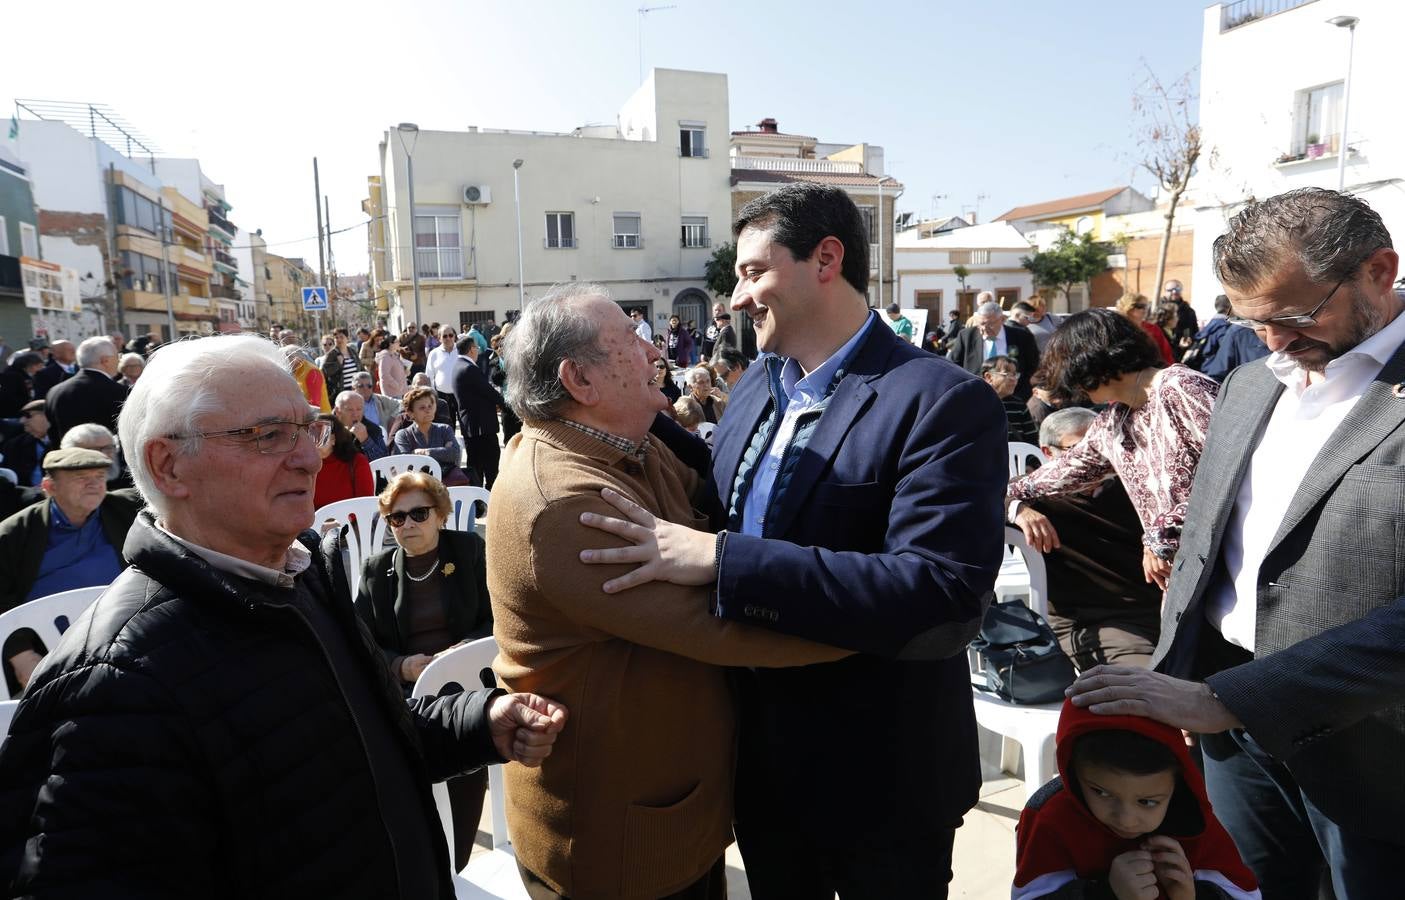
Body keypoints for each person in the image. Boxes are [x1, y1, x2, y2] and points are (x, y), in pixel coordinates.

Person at [0, 334, 567, 897]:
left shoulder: (301, 575)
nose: (307, 456)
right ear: (169, 466)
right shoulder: (114, 681)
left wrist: (478, 720)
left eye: (307, 429)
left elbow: (356, 739)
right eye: (269, 435)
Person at [577, 182, 1008, 897]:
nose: (737, 299)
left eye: (752, 272)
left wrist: (722, 561)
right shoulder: (758, 385)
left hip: (881, 780)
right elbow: (724, 490)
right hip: (762, 770)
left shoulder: (940, 400)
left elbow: (940, 595)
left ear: (825, 259)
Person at [1068, 188, 1405, 897]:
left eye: (1294, 314)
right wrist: (1175, 683)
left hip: (1375, 750)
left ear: (1380, 270)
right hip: (1228, 733)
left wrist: (1235, 698)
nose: (1276, 340)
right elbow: (1205, 542)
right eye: (1254, 323)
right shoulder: (1250, 384)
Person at [489, 284, 848, 899]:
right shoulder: (565, 503)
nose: (652, 348)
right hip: (618, 839)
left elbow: (712, 531)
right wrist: (881, 614)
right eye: (629, 339)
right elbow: (724, 626)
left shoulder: (629, 445)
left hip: (672, 813)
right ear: (580, 380)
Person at [1007, 308, 1217, 591]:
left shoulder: (1179, 387)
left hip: (1224, 566)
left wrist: (1161, 535)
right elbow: (1063, 472)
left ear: (1089, 361)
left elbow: (1231, 474)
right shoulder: (1114, 421)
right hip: (1183, 578)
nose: (1075, 389)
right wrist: (1010, 498)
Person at [354, 471, 494, 871]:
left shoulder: (469, 551)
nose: (408, 525)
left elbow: (498, 615)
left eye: (418, 514)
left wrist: (464, 652)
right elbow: (360, 640)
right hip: (409, 693)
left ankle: (456, 862)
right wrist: (400, 665)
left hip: (468, 687)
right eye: (397, 518)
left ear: (440, 514)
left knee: (466, 755)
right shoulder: (376, 570)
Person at [1013, 699, 1258, 900]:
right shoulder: (1051, 820)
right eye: (1101, 792)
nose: (1126, 820)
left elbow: (1246, 894)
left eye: (1148, 802)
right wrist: (1106, 893)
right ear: (1072, 770)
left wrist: (1192, 895)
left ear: (1178, 785)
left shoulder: (1194, 822)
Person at [1012, 408, 1162, 670]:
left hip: (1161, 609)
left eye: (1100, 446)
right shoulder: (1033, 494)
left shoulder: (1134, 484)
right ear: (1048, 453)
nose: (1094, 458)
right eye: (1079, 449)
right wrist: (1018, 510)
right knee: (1151, 682)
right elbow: (980, 497)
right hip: (1096, 622)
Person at [0, 447, 141, 693]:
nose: (94, 485)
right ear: (49, 487)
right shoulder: (14, 534)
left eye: (99, 477)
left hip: (125, 638)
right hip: (48, 651)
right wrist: (19, 652)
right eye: (81, 479)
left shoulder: (125, 509)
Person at [948, 298, 1041, 400]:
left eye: (990, 324)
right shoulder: (966, 336)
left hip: (1014, 397)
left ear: (1002, 319)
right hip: (975, 395)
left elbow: (1033, 365)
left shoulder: (1022, 337)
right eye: (981, 324)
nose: (984, 328)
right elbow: (953, 365)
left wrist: (1021, 391)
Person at [44, 336, 128, 448]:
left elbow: (52, 435)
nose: (119, 360)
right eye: (118, 356)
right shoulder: (120, 392)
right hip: (106, 461)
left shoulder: (54, 392)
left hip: (66, 459)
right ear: (105, 360)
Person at [392, 385, 469, 486]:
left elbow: (454, 453)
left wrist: (425, 452)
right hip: (416, 487)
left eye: (430, 406)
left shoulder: (445, 429)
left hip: (446, 485)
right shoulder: (403, 435)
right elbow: (406, 463)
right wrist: (443, 451)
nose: (428, 410)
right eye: (422, 408)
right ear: (410, 413)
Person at [451, 335, 501, 488]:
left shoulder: (458, 365)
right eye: (476, 348)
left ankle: (479, 498)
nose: (478, 351)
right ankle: (488, 497)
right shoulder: (469, 368)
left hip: (473, 426)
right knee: (489, 464)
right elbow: (488, 391)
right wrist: (506, 404)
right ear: (472, 349)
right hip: (481, 427)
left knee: (476, 464)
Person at [1187, 294, 1270, 381]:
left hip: (1207, 367)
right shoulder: (1228, 328)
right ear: (1231, 307)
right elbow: (1225, 353)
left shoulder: (1211, 324)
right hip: (1216, 368)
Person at [982, 355, 1038, 444]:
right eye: (1007, 374)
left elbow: (1032, 440)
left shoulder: (1018, 405)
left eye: (1015, 374)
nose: (1014, 379)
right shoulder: (976, 404)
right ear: (989, 377)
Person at [1117, 292, 1175, 365]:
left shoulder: (1153, 328)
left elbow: (1166, 353)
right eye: (1140, 306)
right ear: (1128, 307)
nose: (1145, 309)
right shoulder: (1117, 328)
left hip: (1152, 371)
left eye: (1146, 306)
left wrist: (1169, 370)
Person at [1, 400, 49, 488]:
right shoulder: (15, 446)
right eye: (22, 416)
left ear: (47, 415)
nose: (23, 421)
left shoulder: (66, 444)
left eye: (28, 415)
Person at [333, 389, 389, 462]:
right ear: (338, 411)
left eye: (359, 409)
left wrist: (366, 440)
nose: (355, 414)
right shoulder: (327, 428)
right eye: (350, 410)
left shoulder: (373, 429)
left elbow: (383, 462)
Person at [350, 373, 401, 444]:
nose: (365, 388)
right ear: (353, 389)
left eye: (369, 386)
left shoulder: (380, 399)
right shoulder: (349, 403)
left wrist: (393, 417)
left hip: (381, 438)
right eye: (361, 386)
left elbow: (402, 404)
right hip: (358, 441)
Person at [0, 351, 44, 419]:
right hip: (13, 415)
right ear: (29, 365)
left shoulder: (26, 375)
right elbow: (9, 397)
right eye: (38, 366)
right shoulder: (11, 376)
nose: (40, 369)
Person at [1162, 279, 1199, 358]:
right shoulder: (1158, 309)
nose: (1174, 292)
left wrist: (1188, 340)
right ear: (1165, 291)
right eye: (1170, 290)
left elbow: (1194, 332)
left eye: (1177, 289)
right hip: (1161, 352)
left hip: (1182, 353)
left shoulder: (1188, 311)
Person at [376, 332, 409, 401]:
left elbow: (396, 371)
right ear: (391, 344)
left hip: (399, 391)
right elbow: (384, 375)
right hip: (392, 393)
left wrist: (405, 372)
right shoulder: (385, 356)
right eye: (397, 342)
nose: (399, 343)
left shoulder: (394, 355)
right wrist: (397, 386)